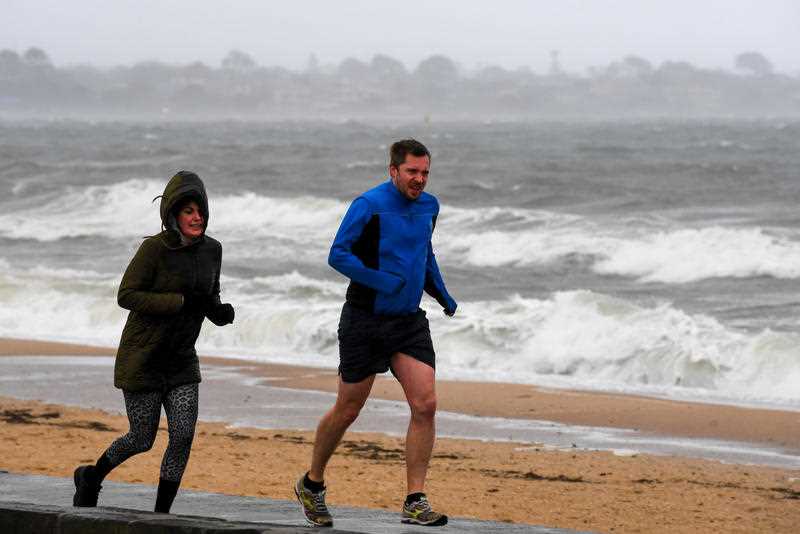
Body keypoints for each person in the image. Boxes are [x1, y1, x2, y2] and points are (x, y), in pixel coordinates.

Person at [294, 139, 457, 527]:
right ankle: (311, 483)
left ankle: (415, 500)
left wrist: (442, 293)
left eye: (425, 173)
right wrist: (382, 282)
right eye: (412, 172)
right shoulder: (368, 205)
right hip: (365, 320)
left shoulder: (430, 206)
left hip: (408, 322)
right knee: (348, 408)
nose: (419, 179)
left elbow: (424, 253)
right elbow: (338, 254)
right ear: (393, 170)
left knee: (426, 405)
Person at [72, 170, 235, 513]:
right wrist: (178, 302)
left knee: (183, 435)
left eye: (200, 211)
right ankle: (91, 475)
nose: (197, 217)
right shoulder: (153, 249)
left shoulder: (213, 250)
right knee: (142, 438)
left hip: (181, 359)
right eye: (189, 211)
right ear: (174, 214)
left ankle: (162, 515)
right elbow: (126, 295)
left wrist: (217, 312)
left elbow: (209, 293)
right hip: (143, 356)